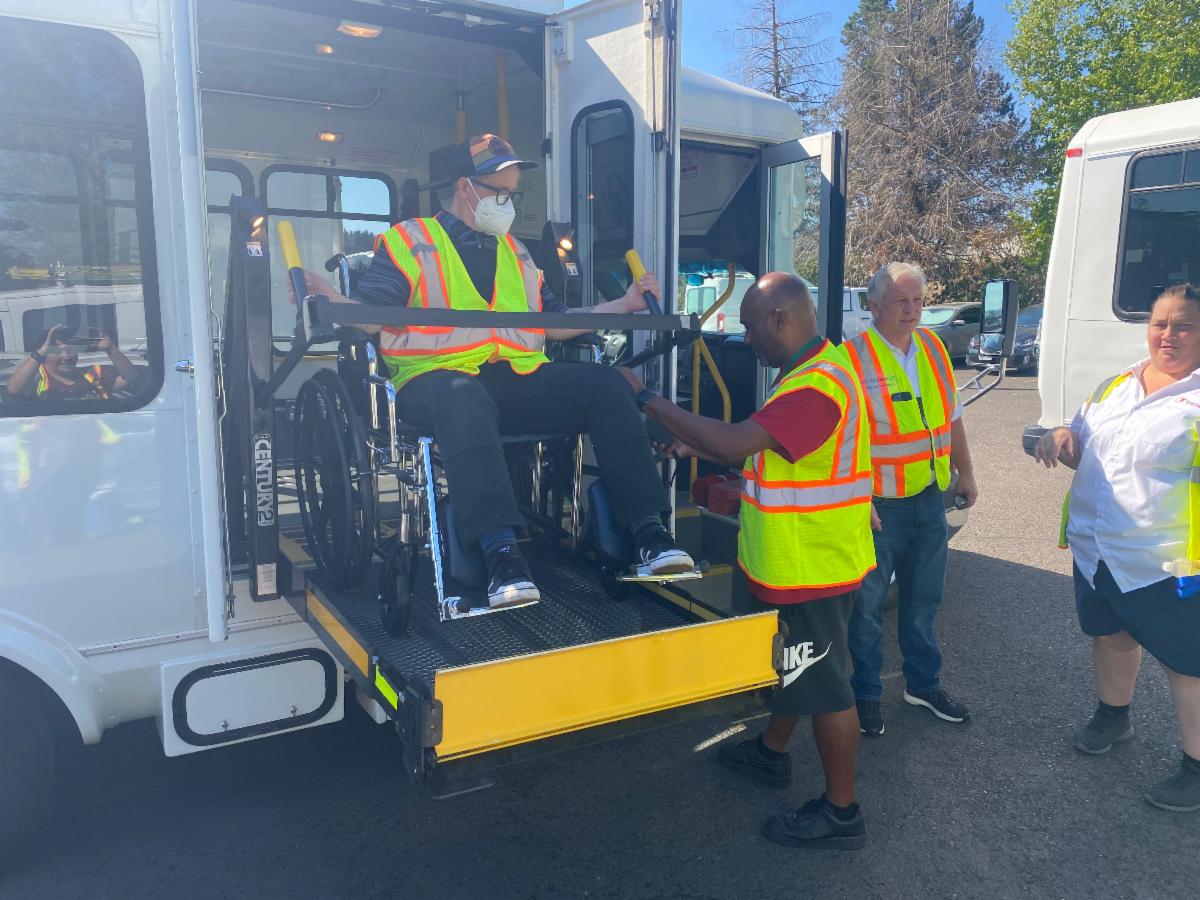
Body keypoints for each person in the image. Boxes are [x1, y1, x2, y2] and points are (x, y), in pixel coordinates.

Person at [293, 134, 693, 610]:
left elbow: (555, 321)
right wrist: (330, 300)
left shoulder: (518, 253)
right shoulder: (410, 242)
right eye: (501, 193)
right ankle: (502, 554)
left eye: (512, 195)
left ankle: (649, 533)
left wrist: (624, 305)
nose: (508, 204)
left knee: (606, 384)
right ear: (466, 188)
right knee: (463, 395)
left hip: (512, 379)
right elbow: (371, 316)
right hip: (432, 381)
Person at [618, 272, 874, 849]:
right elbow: (770, 451)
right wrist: (694, 443)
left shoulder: (817, 387)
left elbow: (736, 441)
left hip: (813, 568)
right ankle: (771, 752)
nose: (746, 337)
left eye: (751, 325)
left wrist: (644, 396)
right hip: (797, 561)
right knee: (795, 665)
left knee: (827, 687)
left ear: (781, 318)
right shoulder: (808, 372)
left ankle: (842, 812)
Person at [1033, 283, 1200, 812]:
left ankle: (1196, 769)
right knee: (1111, 636)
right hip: (1097, 552)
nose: (1168, 335)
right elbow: (1081, 444)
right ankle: (1113, 717)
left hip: (1166, 561)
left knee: (1188, 665)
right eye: (1159, 323)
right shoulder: (1116, 385)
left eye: (1184, 326)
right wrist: (1062, 437)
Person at [842, 262, 976, 736]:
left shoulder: (933, 348)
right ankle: (865, 695)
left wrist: (965, 471)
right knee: (867, 607)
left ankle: (922, 685)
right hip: (879, 504)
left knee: (923, 600)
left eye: (918, 300)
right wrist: (858, 497)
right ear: (874, 306)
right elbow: (841, 438)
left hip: (929, 496)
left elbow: (952, 416)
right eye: (901, 301)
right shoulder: (851, 359)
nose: (912, 310)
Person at [5, 324, 140, 400]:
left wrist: (110, 348)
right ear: (44, 355)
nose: (67, 357)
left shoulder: (93, 374)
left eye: (71, 350)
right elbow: (14, 389)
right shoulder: (34, 378)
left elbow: (130, 377)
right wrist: (40, 352)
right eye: (58, 351)